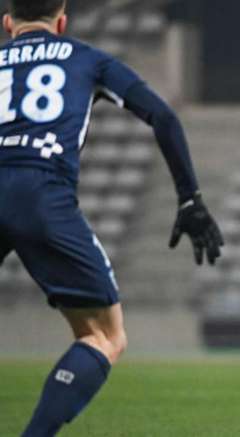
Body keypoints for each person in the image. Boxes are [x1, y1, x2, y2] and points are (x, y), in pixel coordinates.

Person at [0, 1, 223, 435]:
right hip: (41, 193)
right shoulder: (86, 58)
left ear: (8, 24)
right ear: (62, 22)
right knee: (103, 336)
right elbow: (162, 116)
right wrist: (189, 199)